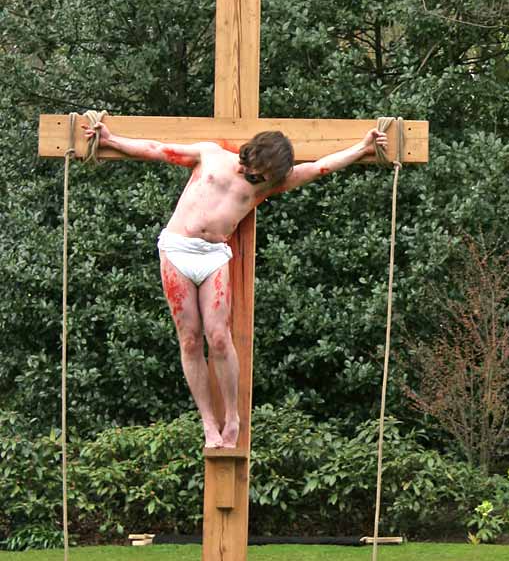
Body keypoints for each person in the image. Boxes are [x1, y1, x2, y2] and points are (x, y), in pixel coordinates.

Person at [83, 122, 387, 448]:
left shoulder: (267, 186)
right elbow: (156, 149)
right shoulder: (211, 155)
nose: (252, 175)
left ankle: (232, 416)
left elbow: (319, 167)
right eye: (253, 167)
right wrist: (111, 139)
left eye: (262, 175)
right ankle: (208, 423)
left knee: (218, 336)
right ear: (249, 152)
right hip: (177, 251)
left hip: (213, 256)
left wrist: (363, 147)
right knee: (189, 340)